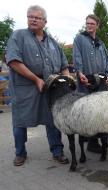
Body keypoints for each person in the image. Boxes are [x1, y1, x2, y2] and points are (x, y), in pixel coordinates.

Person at [6, 5, 70, 166]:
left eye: (37, 17)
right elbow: (13, 61)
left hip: (50, 87)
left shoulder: (54, 43)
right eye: (30, 16)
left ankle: (57, 151)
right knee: (20, 120)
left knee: (52, 119)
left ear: (45, 22)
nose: (33, 19)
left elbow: (64, 65)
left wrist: (67, 79)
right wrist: (36, 79)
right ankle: (20, 152)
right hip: (25, 87)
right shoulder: (18, 36)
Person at [73, 14, 108, 153]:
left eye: (92, 24)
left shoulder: (101, 43)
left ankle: (95, 139)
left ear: (97, 25)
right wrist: (80, 72)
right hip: (86, 81)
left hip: (100, 83)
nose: (89, 25)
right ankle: (90, 142)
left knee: (98, 112)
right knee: (87, 112)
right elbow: (77, 57)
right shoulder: (79, 39)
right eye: (87, 23)